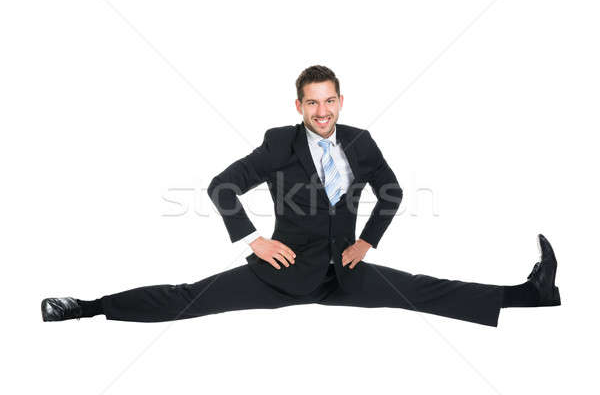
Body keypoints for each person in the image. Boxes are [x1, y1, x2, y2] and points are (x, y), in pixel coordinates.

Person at [41, 65, 561, 327]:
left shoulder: (359, 140)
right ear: (299, 105)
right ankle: (86, 307)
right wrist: (253, 241)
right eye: (312, 103)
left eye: (329, 100)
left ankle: (532, 294)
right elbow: (222, 187)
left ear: (340, 100)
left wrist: (368, 243)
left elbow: (392, 191)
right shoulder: (278, 144)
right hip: (282, 273)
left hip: (346, 271)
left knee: (423, 290)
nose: (322, 111)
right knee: (188, 298)